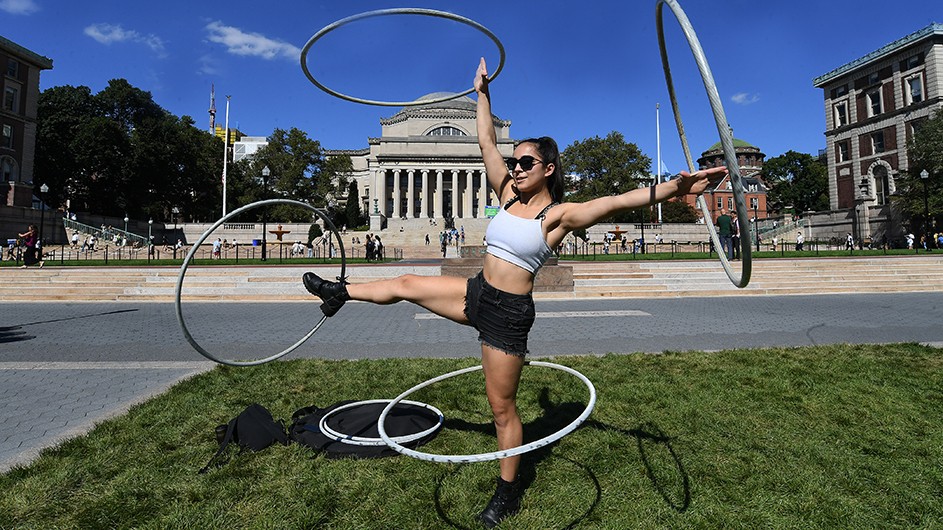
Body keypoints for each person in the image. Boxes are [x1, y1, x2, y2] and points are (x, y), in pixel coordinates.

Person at [301, 58, 724, 529]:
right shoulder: (506, 195)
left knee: (501, 408)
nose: (516, 168)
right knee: (406, 284)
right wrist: (482, 93)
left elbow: (622, 200)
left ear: (548, 169)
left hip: (508, 314)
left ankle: (507, 491)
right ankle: (339, 291)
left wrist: (680, 187)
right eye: (515, 161)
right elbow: (485, 140)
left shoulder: (560, 216)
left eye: (526, 162)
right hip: (477, 292)